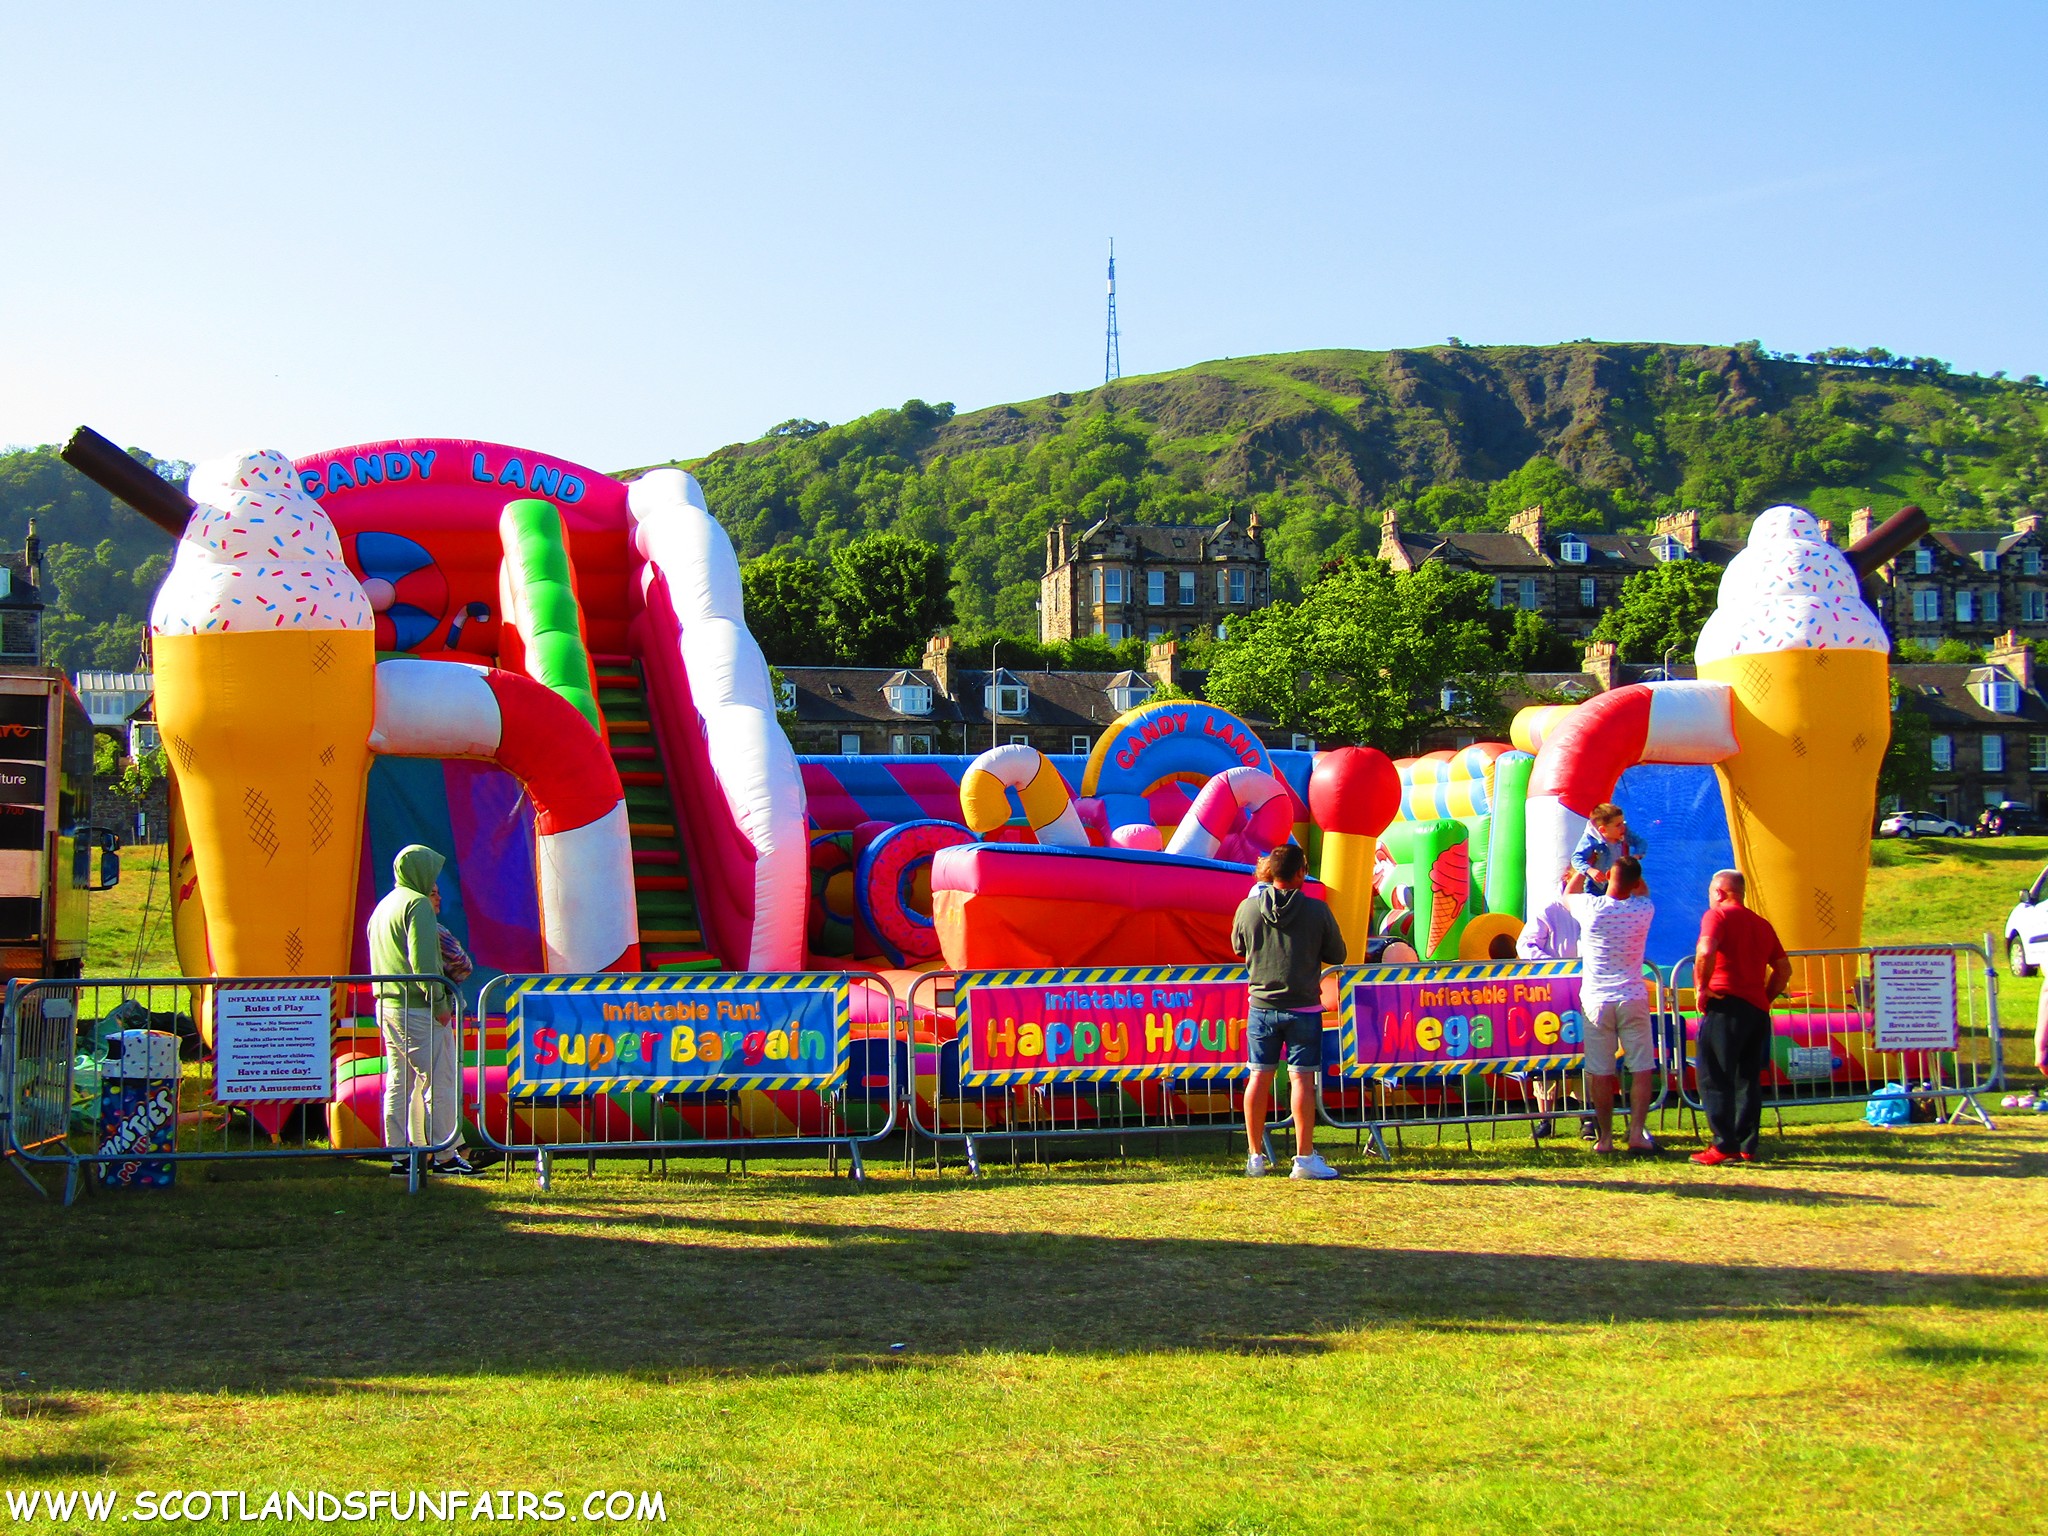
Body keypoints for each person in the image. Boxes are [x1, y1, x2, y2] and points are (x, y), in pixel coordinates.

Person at [1232, 845, 1347, 1180]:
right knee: (1302, 1080)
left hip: (1261, 1007)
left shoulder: (1247, 908)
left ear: (1269, 872)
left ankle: (1255, 1156)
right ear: (1301, 873)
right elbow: (1337, 952)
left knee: (1258, 1076)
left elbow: (1238, 946)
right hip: (1303, 1008)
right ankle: (1304, 1157)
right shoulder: (1316, 909)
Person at [367, 844, 478, 1177]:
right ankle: (446, 1155)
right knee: (440, 1081)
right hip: (419, 1008)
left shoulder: (384, 906)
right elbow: (424, 962)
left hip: (387, 1004)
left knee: (400, 1081)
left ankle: (401, 1155)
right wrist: (440, 1002)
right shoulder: (417, 905)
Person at [1690, 868, 1791, 1167]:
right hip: (1756, 1009)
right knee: (1747, 1078)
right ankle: (1747, 1144)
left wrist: (1701, 988)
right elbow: (1784, 970)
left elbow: (1705, 950)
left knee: (1714, 1075)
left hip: (1726, 1005)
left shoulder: (1717, 916)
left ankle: (1723, 1145)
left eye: (1711, 893)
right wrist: (1765, 998)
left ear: (1719, 892)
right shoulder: (1762, 924)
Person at [1566, 854, 1659, 1154]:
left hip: (1597, 998)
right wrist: (1629, 864)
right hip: (1632, 995)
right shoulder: (1643, 909)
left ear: (1608, 875)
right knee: (1642, 1068)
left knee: (1600, 1070)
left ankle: (1605, 1137)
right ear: (1634, 883)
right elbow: (1641, 888)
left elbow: (1568, 894)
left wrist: (1585, 867)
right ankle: (1636, 1133)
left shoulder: (1591, 909)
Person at [1515, 868, 1588, 1138]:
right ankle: (1546, 1119)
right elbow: (1526, 945)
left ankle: (1587, 1116)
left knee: (1584, 1055)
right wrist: (1558, 969)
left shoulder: (1593, 907)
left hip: (1584, 993)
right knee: (1548, 1057)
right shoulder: (1549, 909)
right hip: (1551, 995)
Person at [1571, 803, 1647, 896]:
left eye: (1623, 822)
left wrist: (1637, 855)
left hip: (1618, 880)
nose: (1623, 827)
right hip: (1598, 885)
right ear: (1603, 830)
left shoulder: (1624, 832)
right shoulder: (1591, 840)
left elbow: (1640, 843)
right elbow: (1576, 858)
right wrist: (1589, 870)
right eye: (1618, 825)